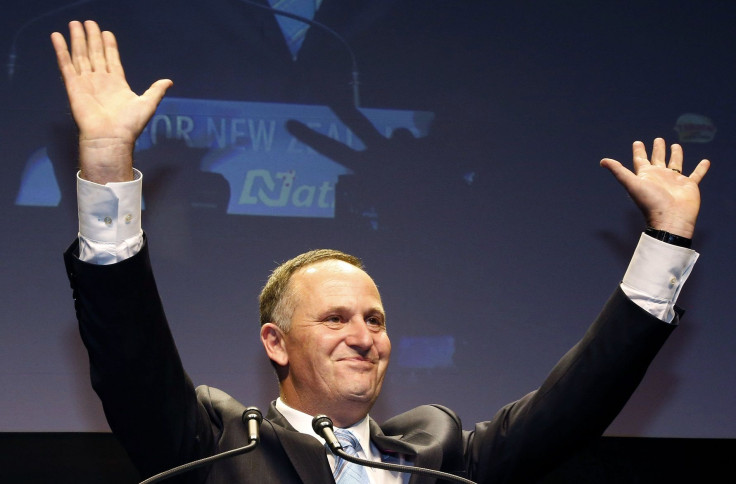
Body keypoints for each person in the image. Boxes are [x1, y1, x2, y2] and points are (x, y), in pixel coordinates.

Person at [57, 20, 710, 484]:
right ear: (275, 343)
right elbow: (129, 355)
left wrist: (666, 240)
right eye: (335, 318)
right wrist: (110, 161)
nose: (365, 336)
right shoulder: (213, 446)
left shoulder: (441, 458)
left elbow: (580, 400)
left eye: (375, 319)